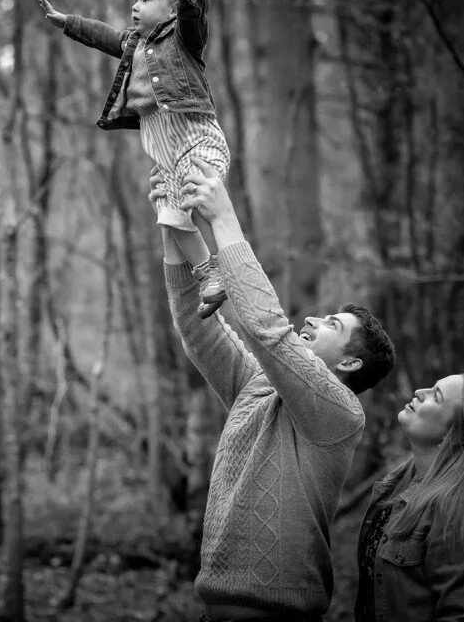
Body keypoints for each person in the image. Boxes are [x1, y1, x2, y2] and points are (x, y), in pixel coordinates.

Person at [155, 158, 397, 622]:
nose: (312, 320)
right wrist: (173, 222)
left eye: (332, 325)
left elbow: (268, 331)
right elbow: (196, 325)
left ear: (349, 362)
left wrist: (224, 219)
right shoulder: (259, 388)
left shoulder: (340, 414)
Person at [38, 0, 232, 318]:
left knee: (187, 204)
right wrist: (69, 23)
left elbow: (194, 23)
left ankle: (220, 265)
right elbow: (107, 37)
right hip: (166, 152)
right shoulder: (135, 44)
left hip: (195, 139)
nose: (134, 6)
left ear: (172, 8)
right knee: (169, 217)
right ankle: (207, 275)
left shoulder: (182, 39)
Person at [354, 372, 464, 621]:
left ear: (455, 436)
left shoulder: (459, 514)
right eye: (431, 387)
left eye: (436, 396)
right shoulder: (396, 484)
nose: (420, 391)